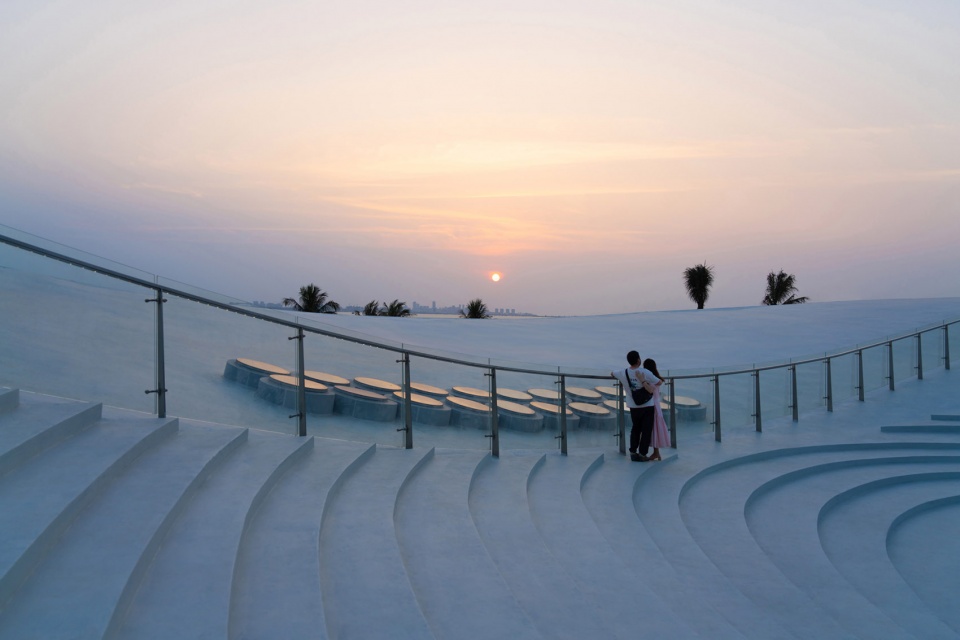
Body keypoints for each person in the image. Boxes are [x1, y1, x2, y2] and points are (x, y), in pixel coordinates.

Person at [610, 350, 661, 461]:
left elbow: (612, 373)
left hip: (633, 406)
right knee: (646, 430)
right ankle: (643, 454)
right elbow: (658, 382)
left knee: (635, 428)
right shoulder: (645, 372)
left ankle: (633, 452)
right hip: (648, 406)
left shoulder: (623, 372)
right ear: (638, 360)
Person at [643, 358, 669, 461]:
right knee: (655, 429)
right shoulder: (656, 378)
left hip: (651, 405)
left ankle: (655, 452)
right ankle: (656, 452)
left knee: (652, 429)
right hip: (657, 406)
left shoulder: (649, 379)